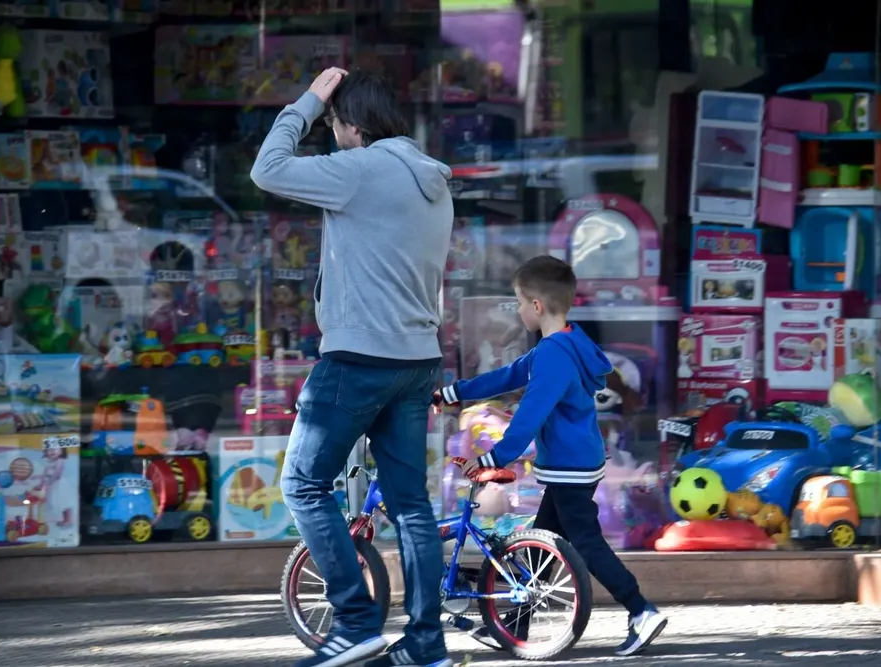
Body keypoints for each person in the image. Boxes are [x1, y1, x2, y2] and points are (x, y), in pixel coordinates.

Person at [251, 68, 454, 667]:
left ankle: (356, 620)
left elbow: (267, 167)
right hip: (417, 359)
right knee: (411, 505)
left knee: (302, 483)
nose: (333, 135)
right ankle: (424, 645)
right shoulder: (431, 179)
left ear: (354, 127)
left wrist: (309, 101)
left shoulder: (361, 169)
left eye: (336, 125)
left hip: (359, 356)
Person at [434, 255, 668, 656]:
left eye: (520, 302)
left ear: (537, 306)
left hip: (568, 466)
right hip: (576, 461)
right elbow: (508, 375)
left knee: (585, 543)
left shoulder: (553, 355)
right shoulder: (568, 343)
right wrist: (454, 393)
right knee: (540, 544)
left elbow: (529, 414)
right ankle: (513, 625)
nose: (519, 309)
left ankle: (640, 610)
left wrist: (494, 459)